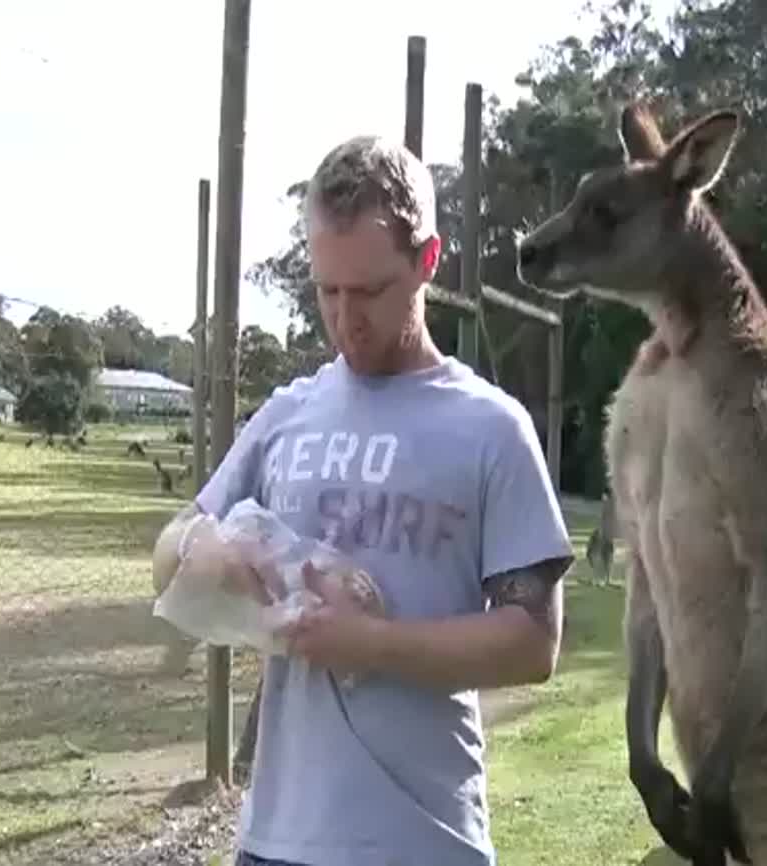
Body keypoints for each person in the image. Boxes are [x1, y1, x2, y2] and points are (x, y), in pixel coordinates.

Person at [150, 133, 575, 866]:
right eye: (327, 291)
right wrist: (203, 551)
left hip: (423, 841)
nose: (346, 318)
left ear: (428, 262)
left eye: (371, 291)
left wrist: (373, 645)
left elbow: (534, 642)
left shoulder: (491, 428)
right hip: (276, 840)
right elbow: (167, 555)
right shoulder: (287, 414)